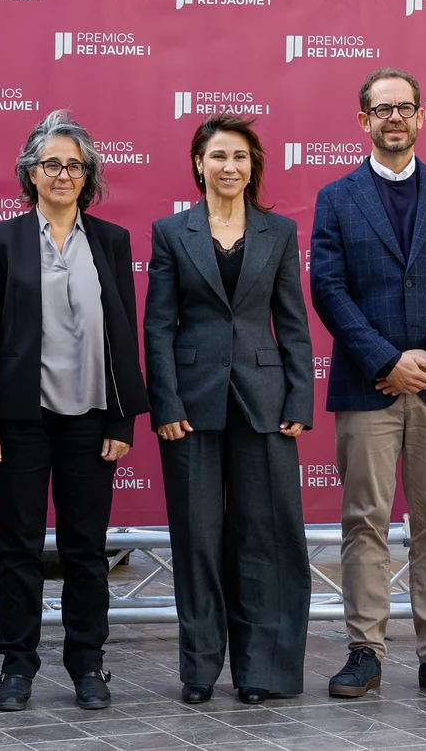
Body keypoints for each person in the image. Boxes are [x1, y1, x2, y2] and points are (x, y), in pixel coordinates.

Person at [310, 67, 426, 700]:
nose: (395, 118)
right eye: (382, 109)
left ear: (421, 116)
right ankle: (365, 650)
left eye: (405, 108)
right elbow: (328, 290)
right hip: (370, 387)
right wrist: (385, 360)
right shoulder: (336, 197)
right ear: (364, 120)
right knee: (364, 519)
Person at [0, 110, 149, 712]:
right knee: (17, 548)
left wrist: (124, 418)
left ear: (88, 175)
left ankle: (88, 664)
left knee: (85, 548)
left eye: (74, 165)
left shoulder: (113, 241)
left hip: (93, 417)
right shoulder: (3, 239)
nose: (63, 174)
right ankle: (16, 667)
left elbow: (125, 332)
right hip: (20, 418)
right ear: (31, 174)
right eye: (51, 164)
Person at [145, 115, 313, 705]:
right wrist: (163, 401)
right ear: (198, 164)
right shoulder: (171, 232)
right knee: (196, 537)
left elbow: (292, 322)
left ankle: (260, 672)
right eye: (218, 156)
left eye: (240, 157)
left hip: (265, 402)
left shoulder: (280, 233)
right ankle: (198, 669)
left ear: (253, 166)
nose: (229, 167)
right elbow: (159, 326)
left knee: (263, 537)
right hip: (189, 405)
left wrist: (299, 397)